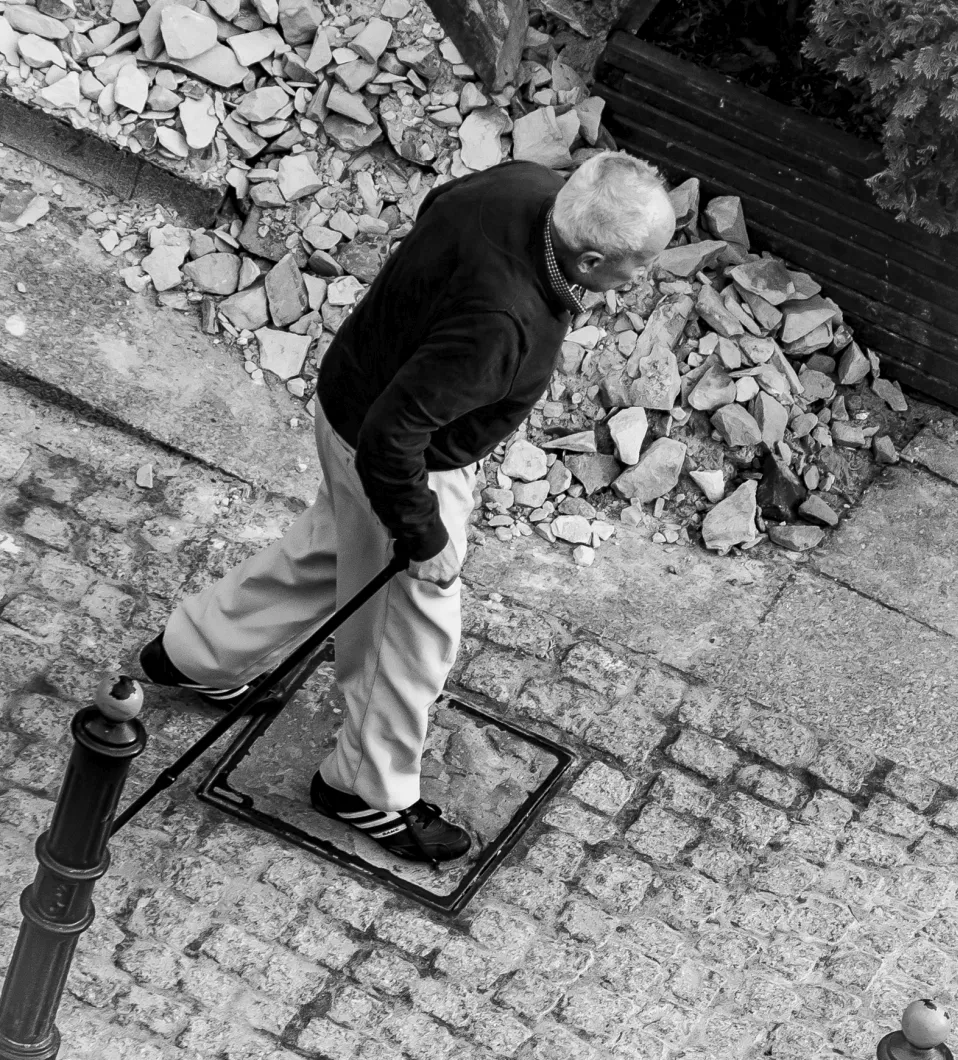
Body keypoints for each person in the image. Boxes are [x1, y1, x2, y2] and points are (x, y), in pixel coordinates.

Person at [139, 151, 677, 866]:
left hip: (352, 392)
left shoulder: (525, 186)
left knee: (338, 549)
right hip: (401, 455)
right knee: (413, 629)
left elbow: (438, 206)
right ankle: (364, 787)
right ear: (588, 260)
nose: (642, 280)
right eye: (636, 266)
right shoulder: (504, 321)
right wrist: (424, 534)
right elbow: (393, 442)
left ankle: (195, 654)